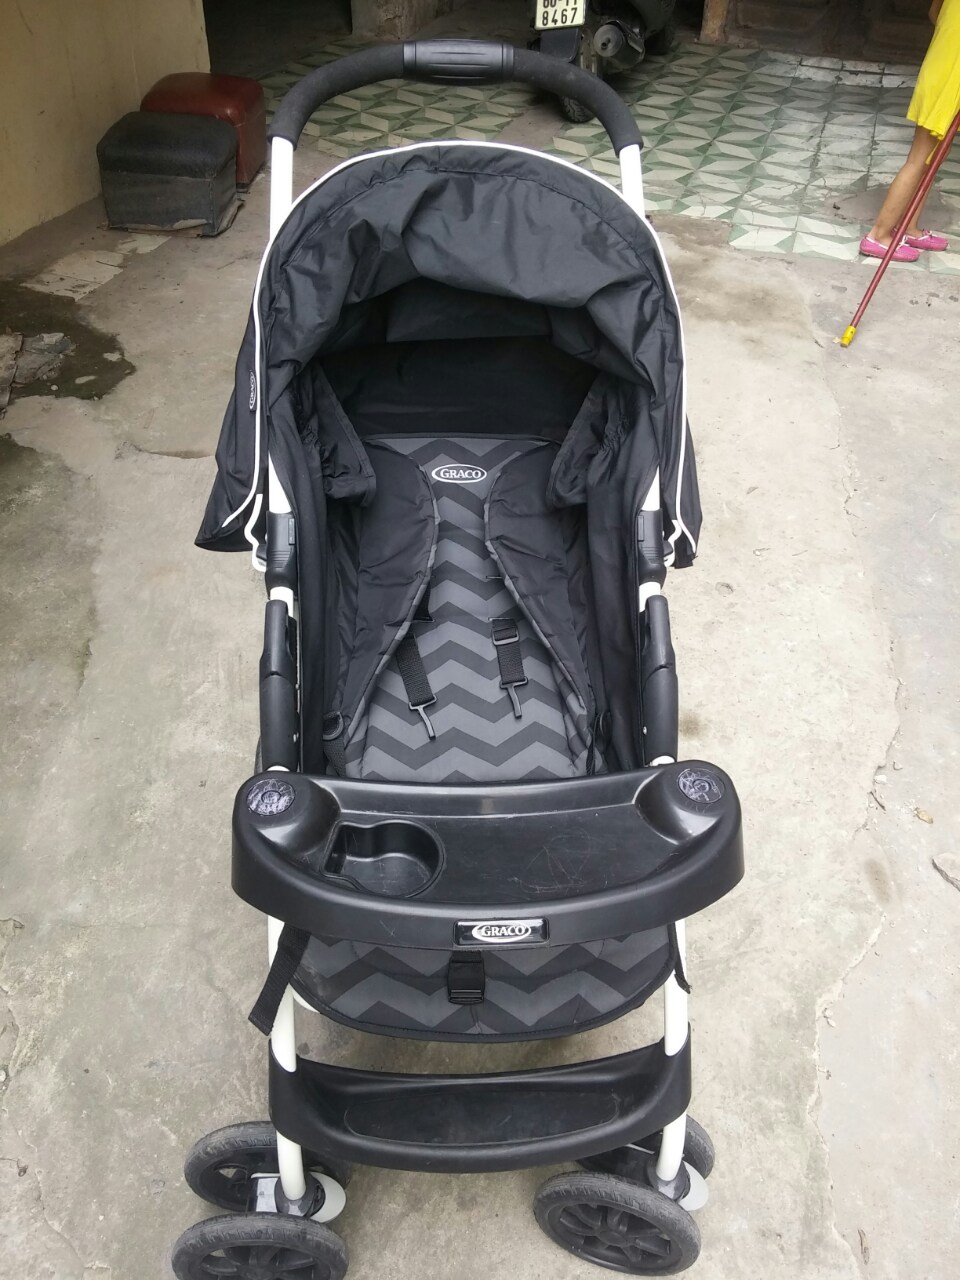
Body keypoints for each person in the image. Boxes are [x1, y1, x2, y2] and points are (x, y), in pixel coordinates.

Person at [860, 0, 960, 262]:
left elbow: (934, 12)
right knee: (919, 160)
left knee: (933, 160)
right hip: (948, 81)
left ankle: (908, 227)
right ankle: (878, 235)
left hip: (942, 70)